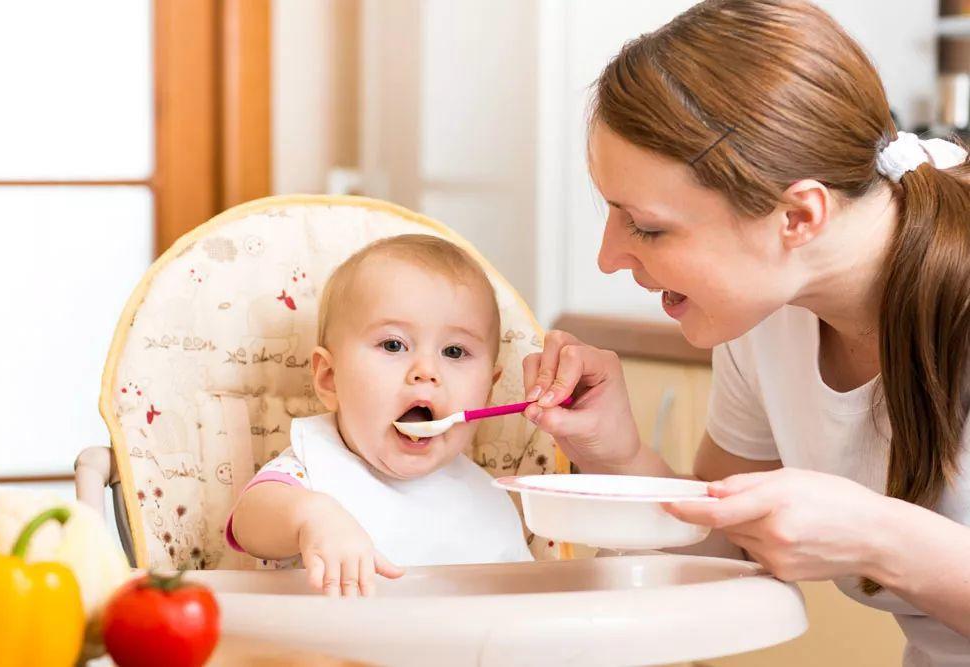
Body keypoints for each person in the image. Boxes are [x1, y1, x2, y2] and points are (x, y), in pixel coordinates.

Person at [522, 1, 970, 663]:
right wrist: (616, 453)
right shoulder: (765, 309)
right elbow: (724, 542)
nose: (609, 257)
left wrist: (880, 537)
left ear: (799, 217)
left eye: (648, 226)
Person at [227, 234, 532, 597]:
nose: (426, 371)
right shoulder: (309, 473)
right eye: (393, 345)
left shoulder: (488, 501)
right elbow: (249, 521)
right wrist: (311, 517)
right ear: (329, 378)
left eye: (454, 351)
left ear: (488, 394)